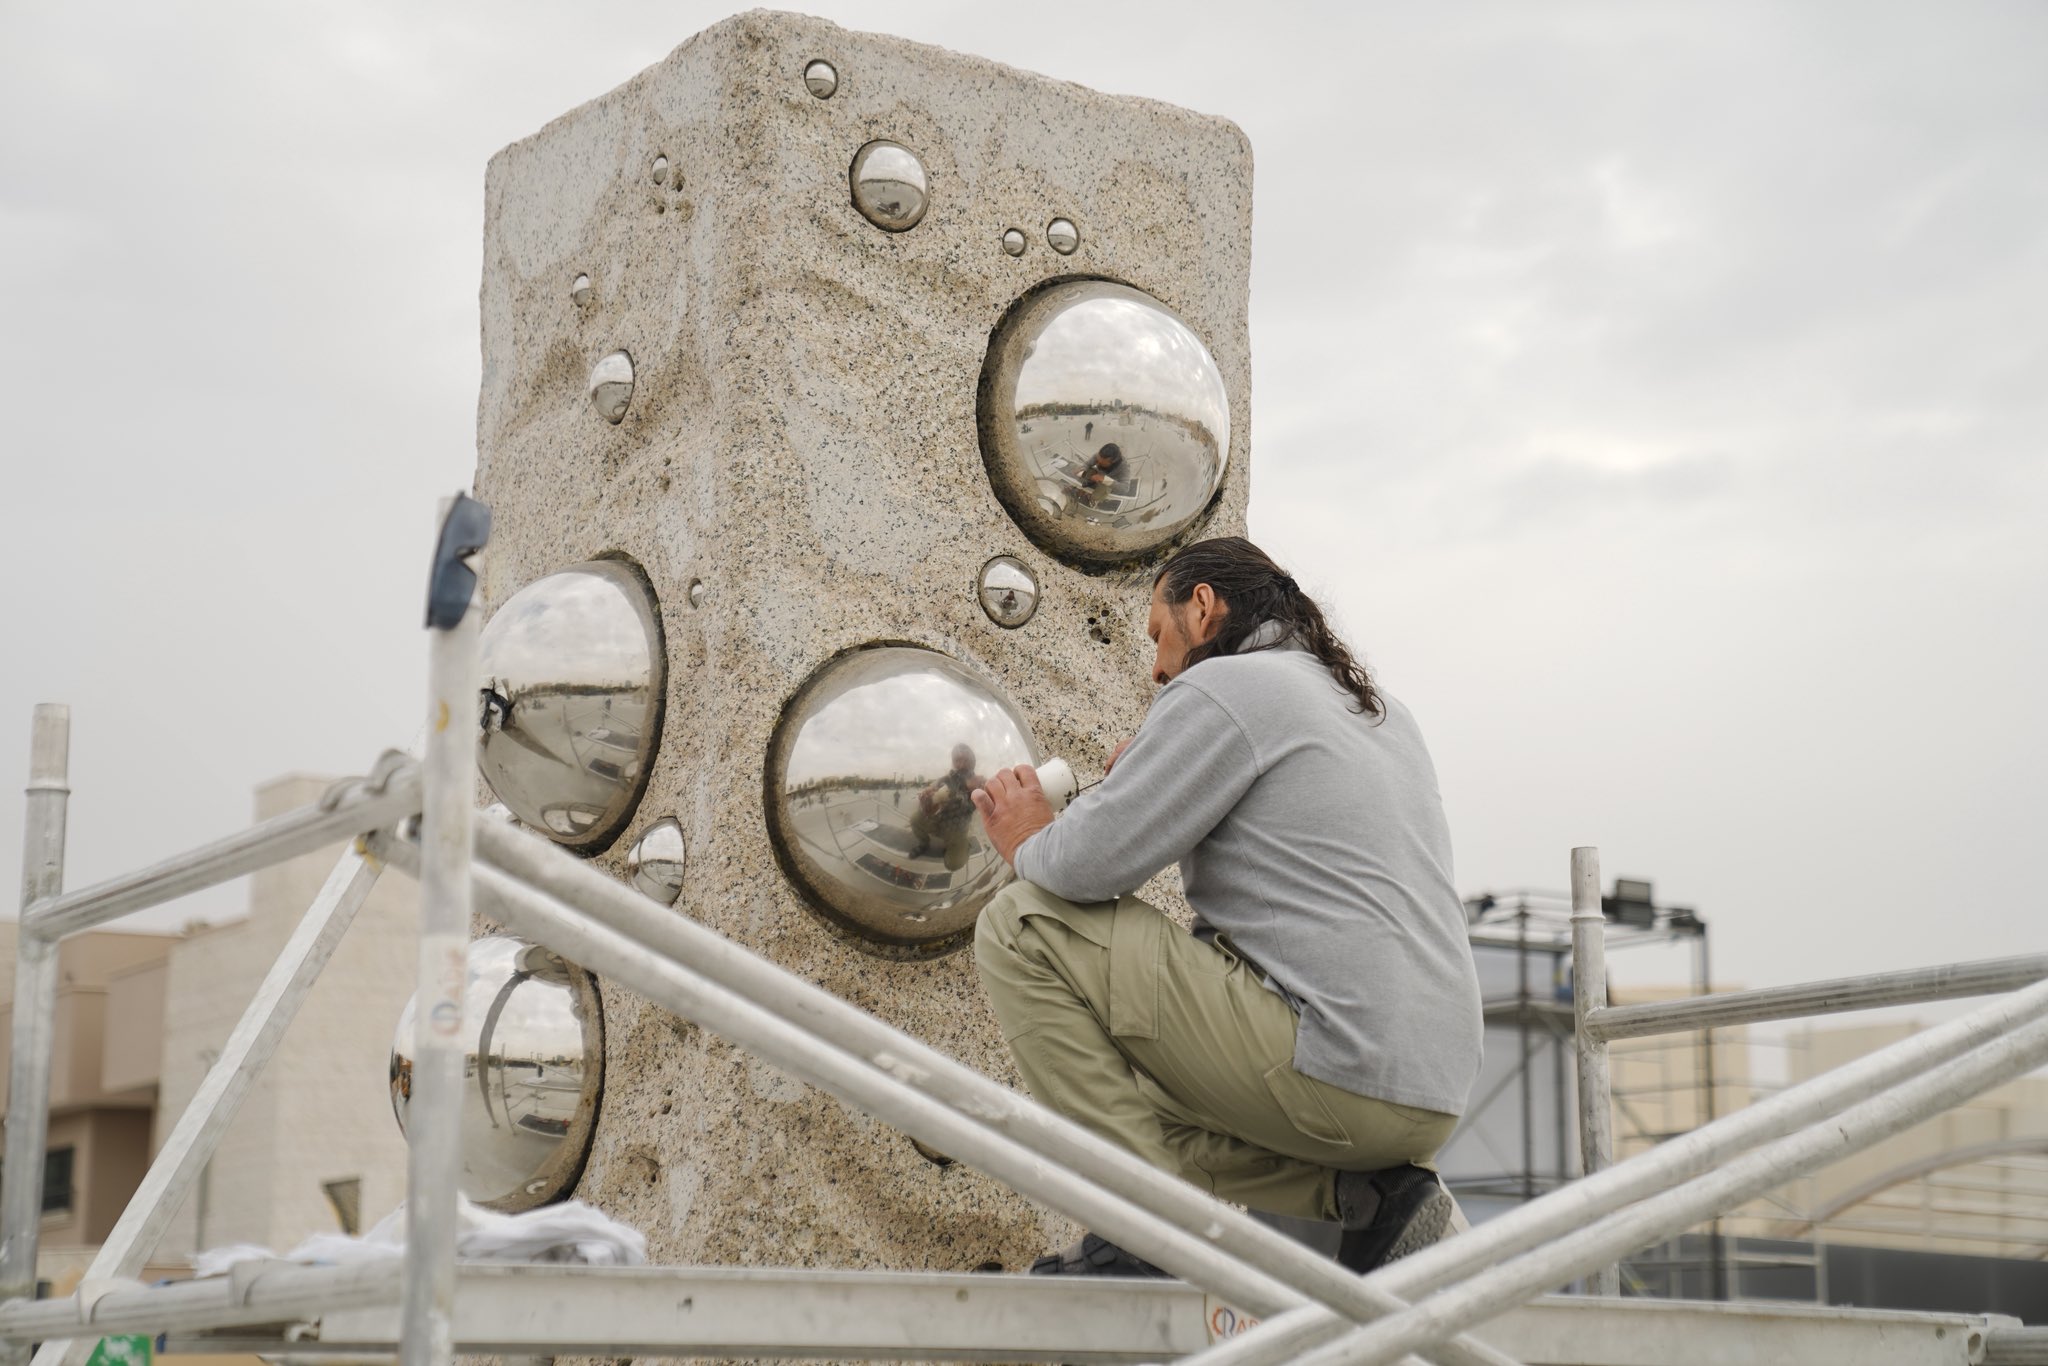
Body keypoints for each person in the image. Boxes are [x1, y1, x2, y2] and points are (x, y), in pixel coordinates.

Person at [971, 537, 1482, 1277]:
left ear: (1203, 607)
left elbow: (1078, 867)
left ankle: (1148, 1237)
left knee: (1020, 923)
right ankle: (1375, 1198)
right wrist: (1154, 775)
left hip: (1336, 1069)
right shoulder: (1378, 711)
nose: (1155, 667)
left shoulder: (1231, 688)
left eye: (1156, 633)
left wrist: (1027, 835)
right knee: (1124, 1104)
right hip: (1425, 1098)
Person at [908, 742, 986, 870]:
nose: (962, 765)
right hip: (938, 823)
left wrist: (976, 789)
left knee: (953, 864)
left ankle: (963, 846)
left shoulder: (978, 782)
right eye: (957, 760)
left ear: (973, 762)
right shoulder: (944, 779)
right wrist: (927, 802)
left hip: (957, 831)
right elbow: (929, 806)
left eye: (966, 760)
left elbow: (984, 804)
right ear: (953, 762)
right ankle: (924, 844)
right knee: (915, 819)